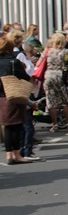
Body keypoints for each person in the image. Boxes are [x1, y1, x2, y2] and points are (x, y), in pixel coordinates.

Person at [0, 36, 34, 164]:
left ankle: (8, 154)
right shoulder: (13, 62)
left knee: (6, 125)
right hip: (13, 94)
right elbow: (25, 77)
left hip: (0, 96)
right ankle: (16, 153)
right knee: (17, 125)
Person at [41, 33, 68, 132]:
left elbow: (39, 63)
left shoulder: (47, 51)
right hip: (61, 76)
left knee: (51, 101)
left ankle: (54, 124)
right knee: (65, 100)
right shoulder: (66, 52)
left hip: (49, 76)